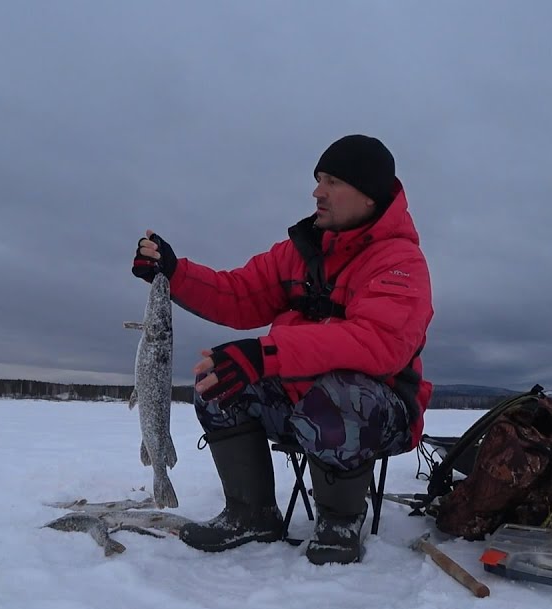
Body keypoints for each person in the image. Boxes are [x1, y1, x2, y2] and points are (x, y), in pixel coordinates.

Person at [131, 134, 434, 565]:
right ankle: (251, 513)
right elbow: (239, 294)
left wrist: (266, 355)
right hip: (301, 400)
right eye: (317, 179)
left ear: (368, 196)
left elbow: (377, 343)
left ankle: (340, 522)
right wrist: (175, 273)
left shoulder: (400, 261)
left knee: (340, 396)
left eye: (331, 181)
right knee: (218, 382)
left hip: (378, 413)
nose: (317, 191)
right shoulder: (299, 251)